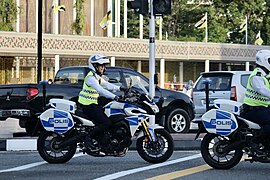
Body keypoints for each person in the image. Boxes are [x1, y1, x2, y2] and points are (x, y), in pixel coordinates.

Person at [78, 54, 127, 151]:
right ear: (95, 66)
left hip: (93, 105)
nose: (103, 68)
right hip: (88, 106)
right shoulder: (90, 78)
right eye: (101, 66)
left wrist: (120, 88)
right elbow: (101, 90)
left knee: (109, 117)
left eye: (104, 66)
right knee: (106, 122)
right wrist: (115, 97)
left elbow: (107, 85)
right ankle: (88, 138)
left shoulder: (96, 77)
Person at [241, 49, 270, 154]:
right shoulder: (256, 76)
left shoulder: (266, 75)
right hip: (253, 109)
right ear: (264, 61)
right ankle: (255, 141)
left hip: (261, 108)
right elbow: (262, 90)